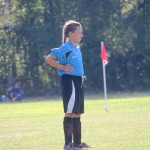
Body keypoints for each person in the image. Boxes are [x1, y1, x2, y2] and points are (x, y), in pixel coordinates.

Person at [45, 20, 90, 150]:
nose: (81, 35)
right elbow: (49, 59)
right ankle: (67, 145)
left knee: (77, 113)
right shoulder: (65, 48)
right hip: (70, 81)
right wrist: (63, 67)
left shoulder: (76, 48)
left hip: (78, 81)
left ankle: (77, 143)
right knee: (69, 112)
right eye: (79, 32)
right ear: (70, 33)